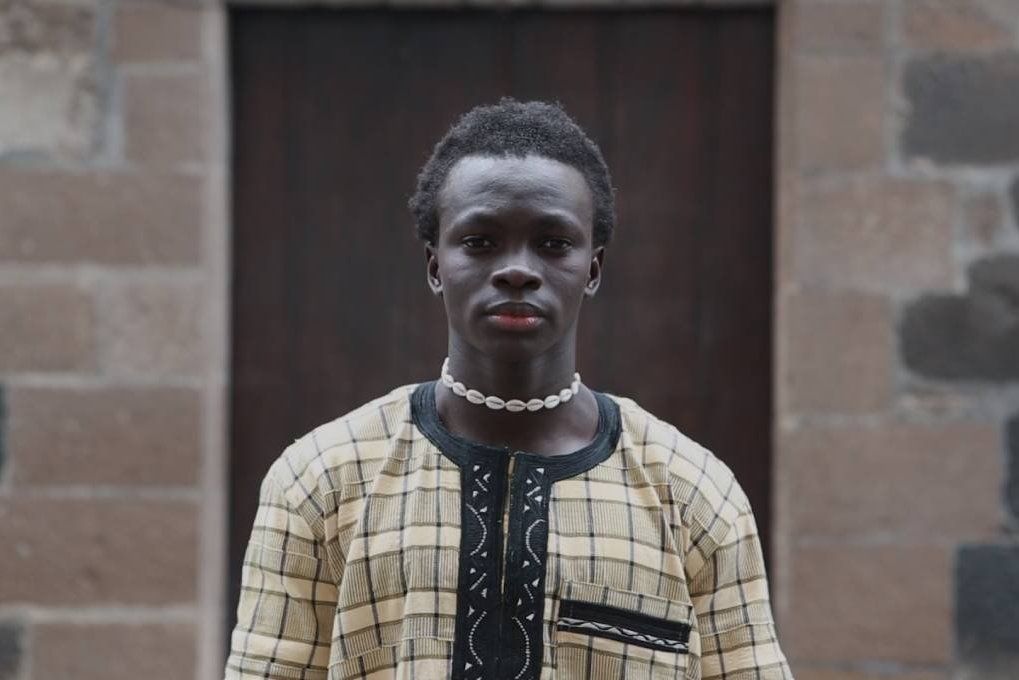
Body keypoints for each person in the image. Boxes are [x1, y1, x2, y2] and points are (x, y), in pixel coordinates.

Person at [225, 98, 792, 680]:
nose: (517, 270)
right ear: (434, 266)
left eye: (553, 243)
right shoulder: (322, 481)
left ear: (593, 269)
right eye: (480, 241)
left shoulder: (693, 495)